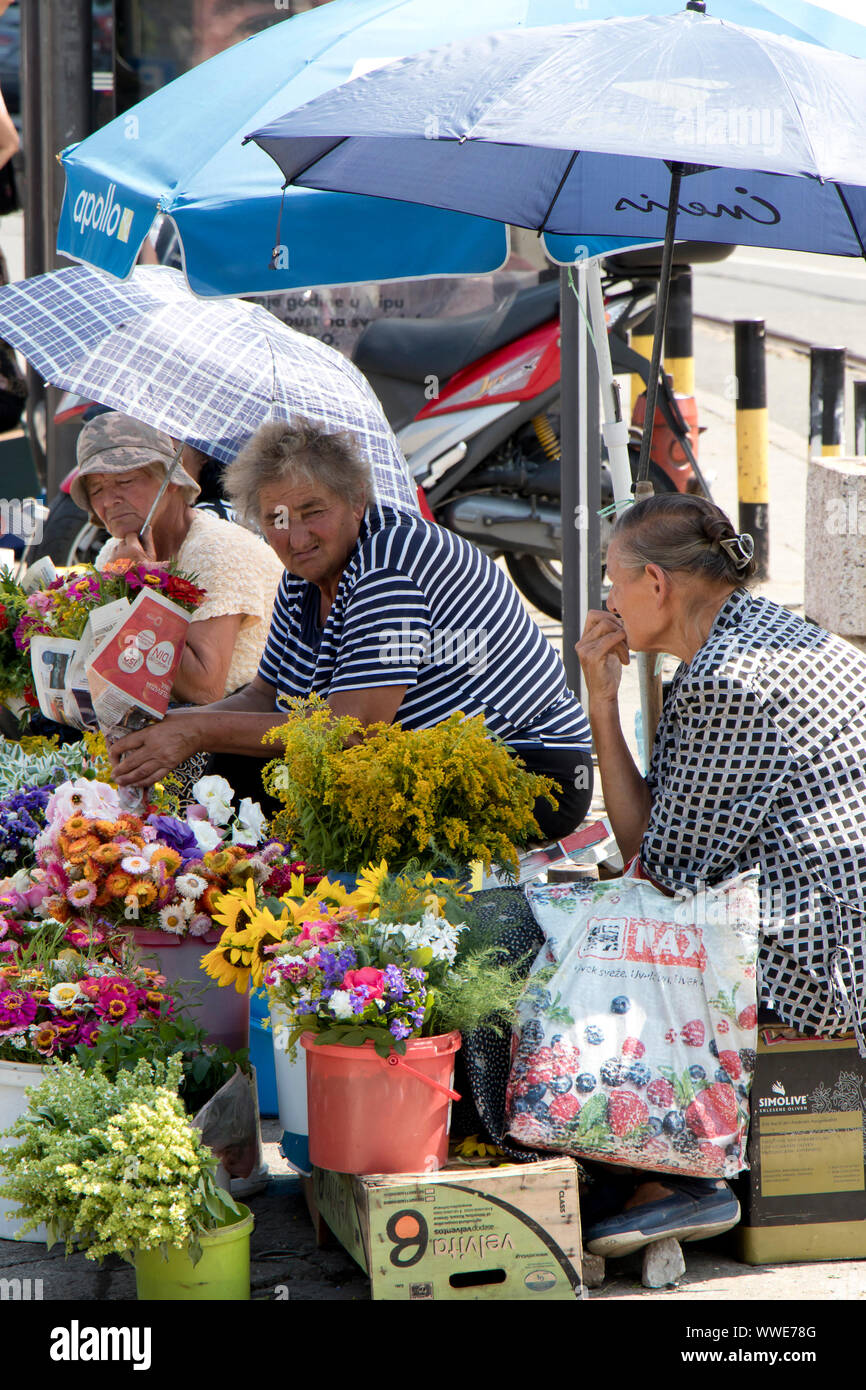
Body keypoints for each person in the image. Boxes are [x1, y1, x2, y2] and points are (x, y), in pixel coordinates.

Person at [574, 491, 866, 1255]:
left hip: (809, 961)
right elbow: (667, 843)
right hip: (831, 930)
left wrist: (600, 708)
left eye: (612, 580)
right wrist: (607, 702)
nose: (607, 599)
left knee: (593, 945)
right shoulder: (774, 635)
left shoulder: (723, 681)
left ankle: (679, 1178)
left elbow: (659, 870)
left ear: (656, 586)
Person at [108, 418, 594, 838]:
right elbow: (264, 696)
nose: (295, 536)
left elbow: (352, 730)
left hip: (528, 769)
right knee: (222, 768)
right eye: (276, 518)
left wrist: (195, 730)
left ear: (357, 499)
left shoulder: (389, 565)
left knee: (241, 771)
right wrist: (176, 724)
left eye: (313, 511)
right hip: (411, 763)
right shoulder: (305, 577)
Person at [73, 412, 284, 706]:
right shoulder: (114, 550)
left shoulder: (218, 549)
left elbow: (203, 689)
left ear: (170, 481)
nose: (109, 501)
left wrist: (138, 585)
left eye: (125, 481)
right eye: (96, 490)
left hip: (239, 727)